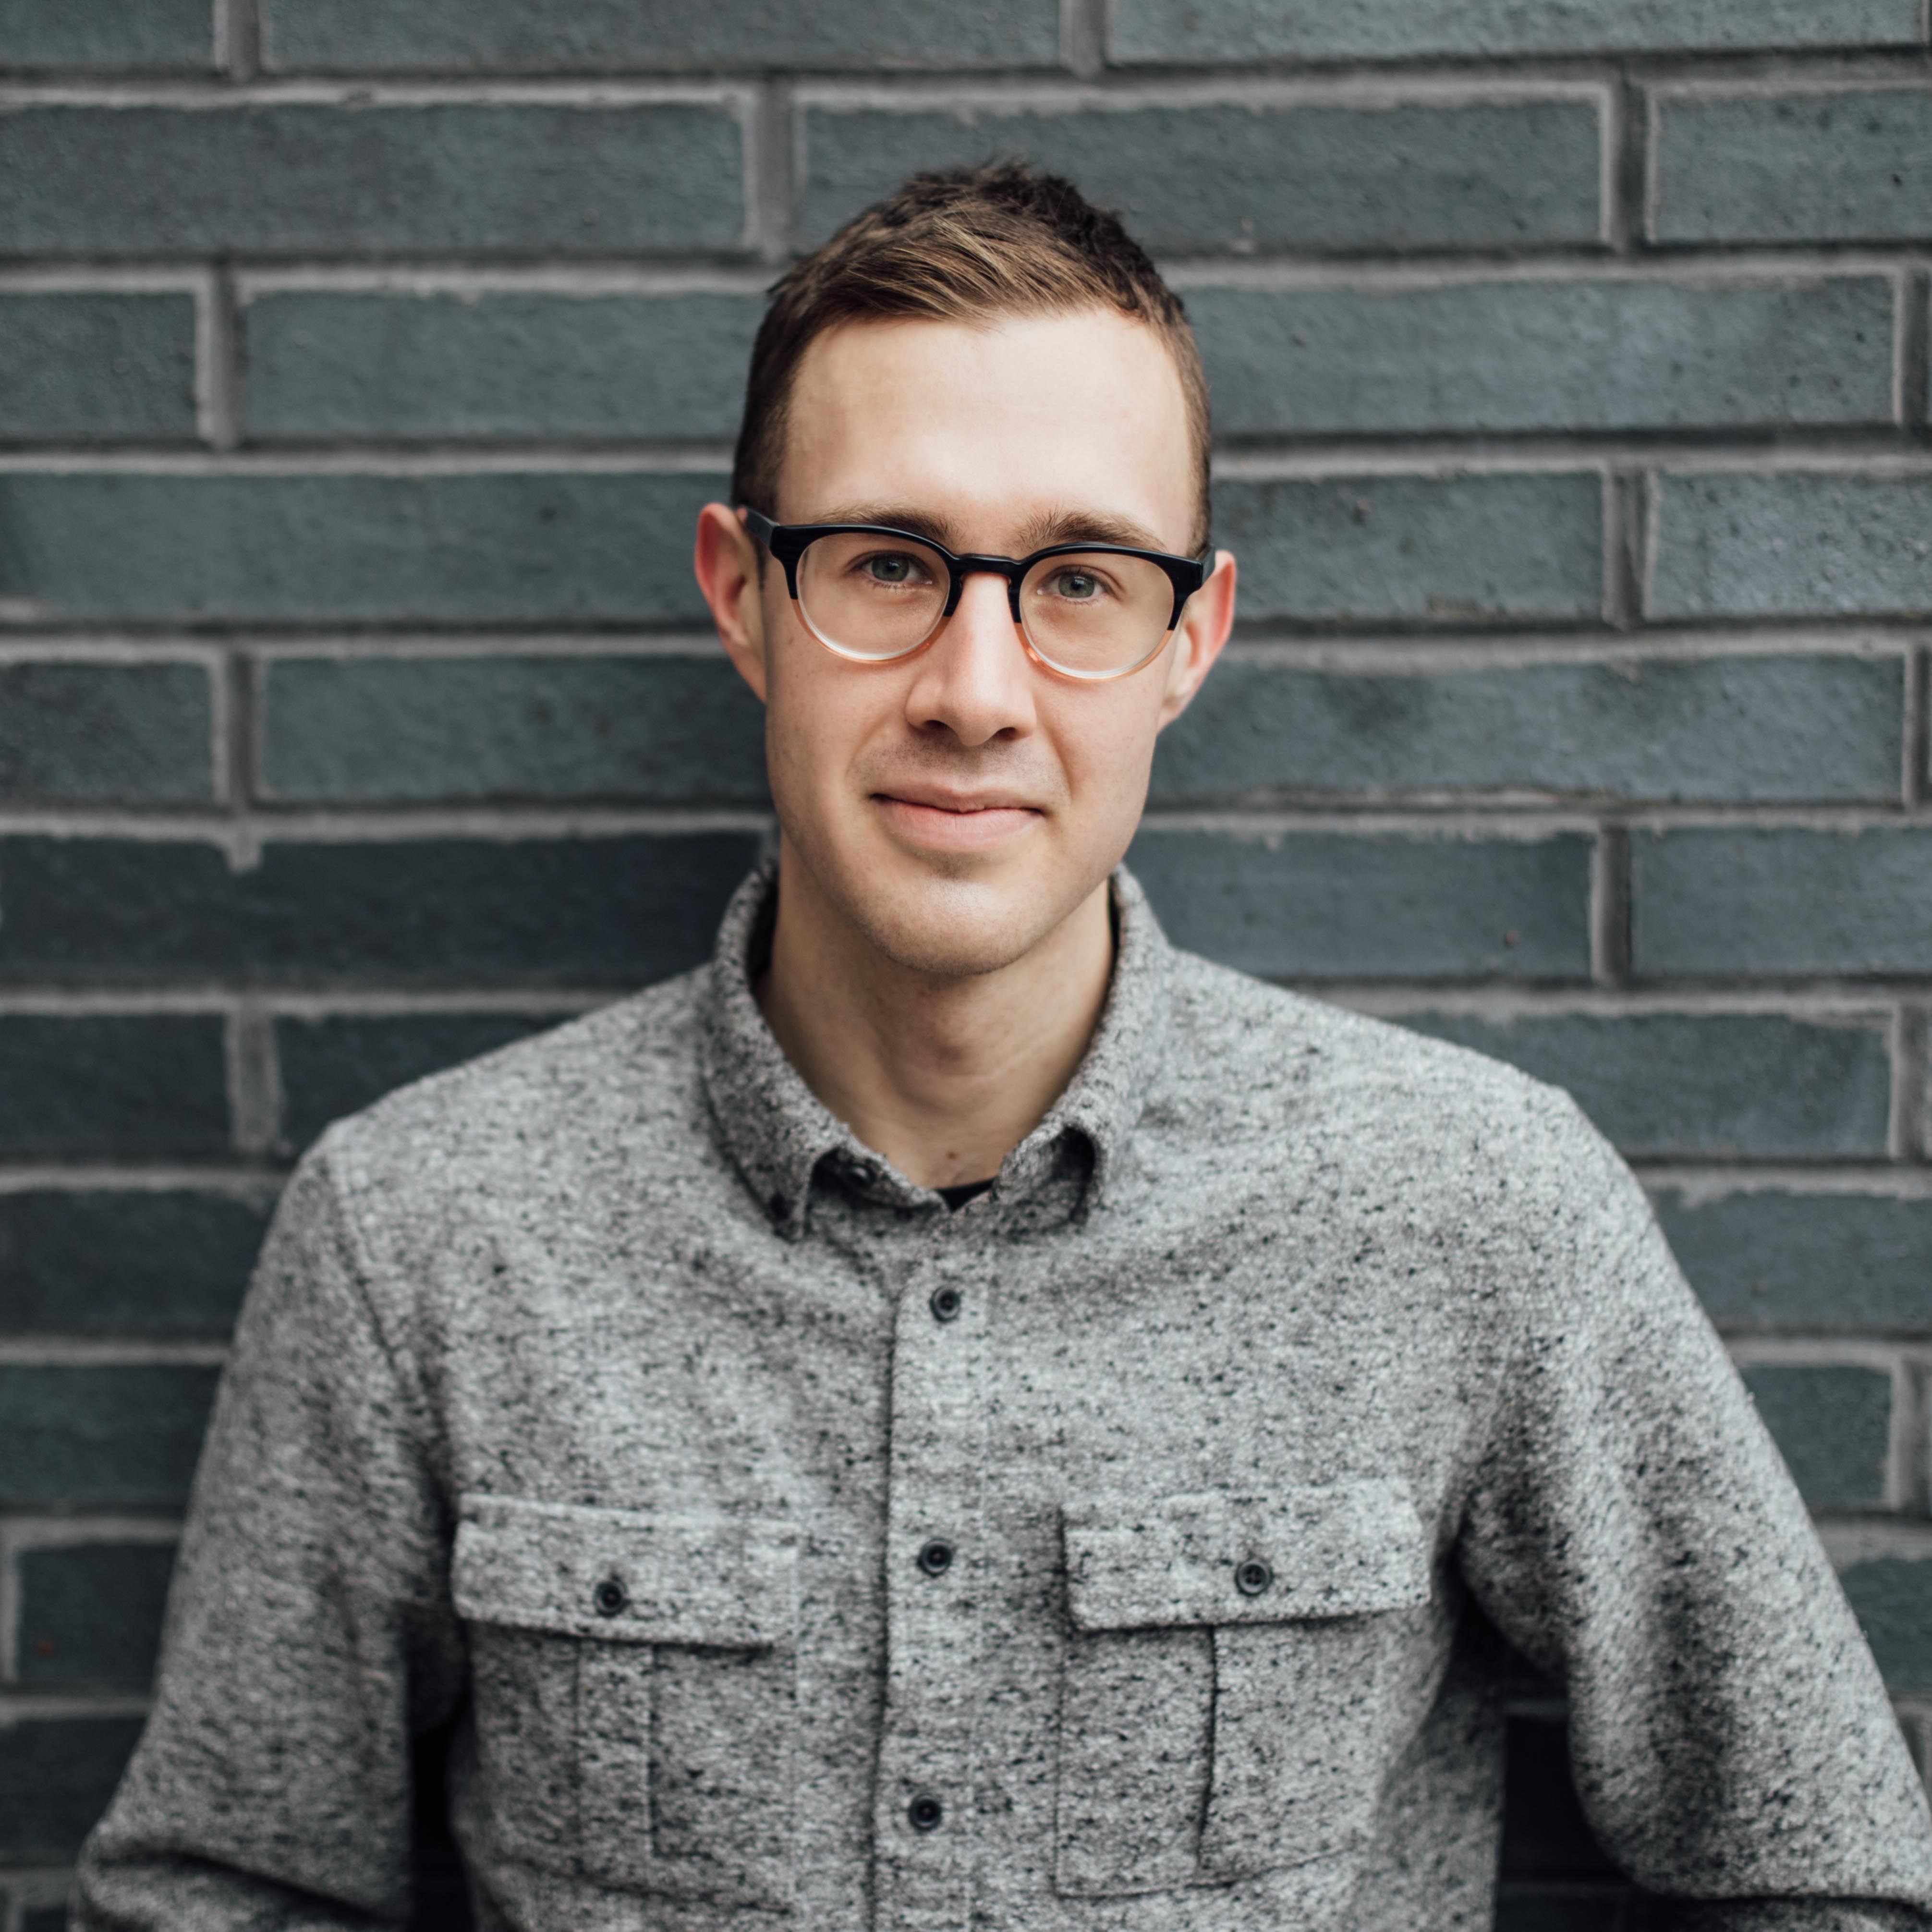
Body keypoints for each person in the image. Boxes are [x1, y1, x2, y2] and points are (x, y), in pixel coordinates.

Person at [75, 163, 1932, 1932]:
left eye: (1078, 582)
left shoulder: (1474, 1211)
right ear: (744, 597)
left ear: (1188, 639)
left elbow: (1825, 1862)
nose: (974, 692)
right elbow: (231, 1894)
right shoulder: (422, 1238)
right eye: (890, 563)